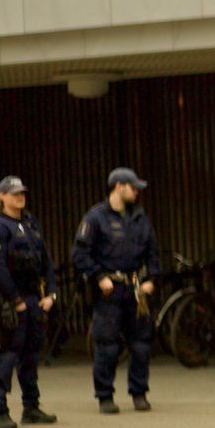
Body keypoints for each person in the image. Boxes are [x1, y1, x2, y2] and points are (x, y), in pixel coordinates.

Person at [73, 167, 162, 413]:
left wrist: (152, 280)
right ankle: (105, 396)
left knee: (141, 344)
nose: (137, 192)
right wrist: (99, 276)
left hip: (135, 291)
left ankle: (139, 392)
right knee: (107, 346)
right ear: (118, 187)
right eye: (133, 187)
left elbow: (153, 253)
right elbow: (80, 254)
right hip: (109, 293)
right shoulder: (96, 218)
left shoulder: (140, 218)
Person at [0, 176, 59, 428]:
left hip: (33, 300)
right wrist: (15, 299)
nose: (20, 197)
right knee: (6, 356)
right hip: (9, 302)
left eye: (22, 193)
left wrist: (51, 293)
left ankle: (31, 407)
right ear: (2, 196)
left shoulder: (30, 224)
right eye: (14, 193)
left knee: (31, 356)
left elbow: (45, 261)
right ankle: (0, 410)